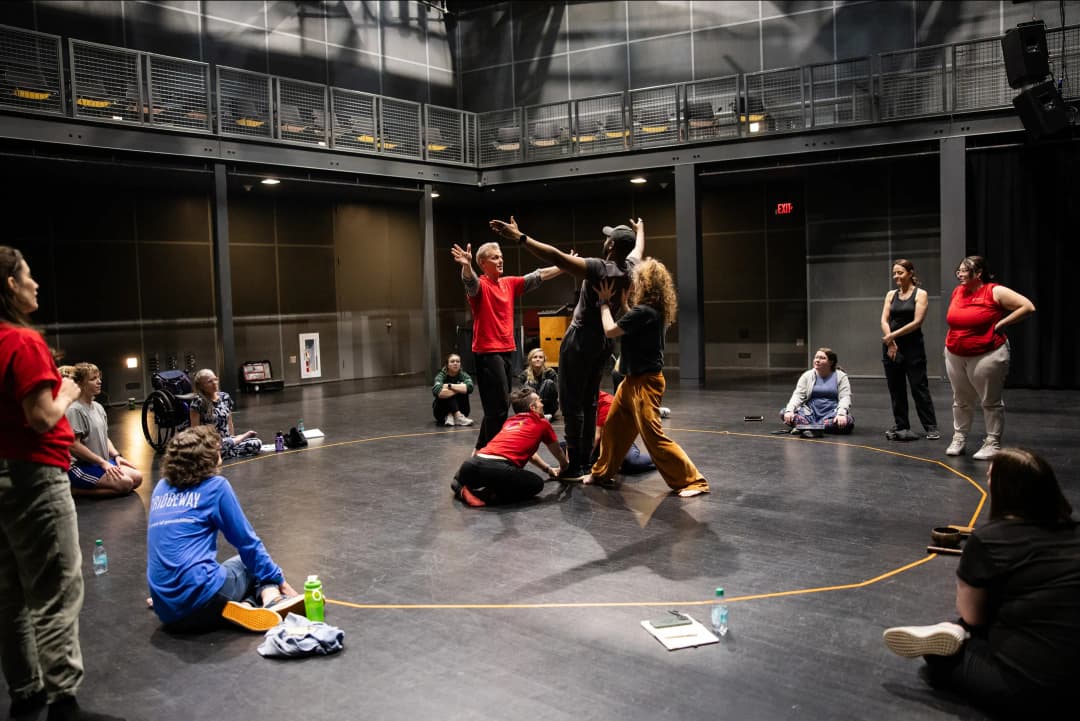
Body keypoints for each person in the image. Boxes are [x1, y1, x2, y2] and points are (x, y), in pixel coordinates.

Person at [0, 246, 125, 721]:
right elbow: (40, 417)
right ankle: (63, 702)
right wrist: (67, 392)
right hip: (33, 476)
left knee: (9, 593)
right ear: (11, 284)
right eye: (29, 276)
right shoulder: (22, 341)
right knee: (54, 588)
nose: (36, 284)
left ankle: (26, 691)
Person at [882, 447, 1080, 718]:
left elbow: (972, 616)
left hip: (1034, 690)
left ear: (1003, 489)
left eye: (989, 477)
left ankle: (952, 632)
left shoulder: (990, 539)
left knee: (942, 655)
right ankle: (954, 632)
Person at [489, 215, 645, 480]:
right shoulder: (630, 268)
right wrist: (640, 231)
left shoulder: (599, 268)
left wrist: (520, 238)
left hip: (580, 340)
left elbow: (556, 257)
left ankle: (575, 466)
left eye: (608, 238)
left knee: (571, 403)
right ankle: (585, 462)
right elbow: (638, 249)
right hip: (603, 342)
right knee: (590, 401)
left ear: (610, 246)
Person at [147, 426, 305, 633]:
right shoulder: (215, 487)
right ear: (206, 458)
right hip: (204, 601)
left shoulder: (160, 488)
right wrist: (281, 582)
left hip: (167, 610)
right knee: (249, 563)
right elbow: (247, 543)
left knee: (225, 568)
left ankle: (245, 605)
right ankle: (270, 598)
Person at [586, 259, 709, 497]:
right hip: (631, 382)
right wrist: (624, 305)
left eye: (637, 280)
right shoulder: (652, 312)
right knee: (612, 429)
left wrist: (603, 303)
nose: (633, 284)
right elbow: (634, 326)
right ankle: (601, 473)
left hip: (645, 384)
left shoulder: (644, 312)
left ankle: (694, 482)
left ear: (645, 284)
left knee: (653, 437)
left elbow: (610, 330)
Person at [450, 241, 562, 453]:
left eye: (501, 256)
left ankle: (480, 451)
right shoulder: (481, 286)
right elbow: (470, 282)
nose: (500, 260)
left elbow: (537, 276)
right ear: (483, 263)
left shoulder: (508, 284)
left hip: (506, 350)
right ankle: (491, 452)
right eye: (494, 257)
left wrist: (563, 265)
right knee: (499, 408)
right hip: (487, 353)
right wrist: (466, 265)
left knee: (499, 408)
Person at [944, 256, 1035, 460]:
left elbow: (1027, 306)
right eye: (958, 271)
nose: (959, 274)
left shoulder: (994, 291)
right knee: (961, 399)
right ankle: (959, 438)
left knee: (990, 400)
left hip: (987, 353)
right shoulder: (958, 291)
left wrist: (1001, 324)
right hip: (955, 353)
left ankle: (992, 442)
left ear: (978, 273)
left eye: (964, 271)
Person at [451, 387, 568, 507]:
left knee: (459, 478)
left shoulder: (509, 421)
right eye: (539, 401)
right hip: (497, 469)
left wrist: (547, 469)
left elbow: (530, 454)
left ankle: (461, 489)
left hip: (472, 463)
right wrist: (565, 467)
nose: (542, 404)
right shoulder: (542, 423)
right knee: (536, 484)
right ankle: (486, 495)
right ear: (533, 407)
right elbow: (558, 451)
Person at [880, 259, 939, 441]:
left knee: (918, 387)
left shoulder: (921, 294)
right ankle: (901, 425)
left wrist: (892, 336)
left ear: (911, 273)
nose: (896, 276)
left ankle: (931, 427)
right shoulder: (891, 294)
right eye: (894, 273)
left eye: (900, 272)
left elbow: (917, 322)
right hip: (891, 347)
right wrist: (890, 342)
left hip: (913, 347)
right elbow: (884, 320)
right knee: (896, 388)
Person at [65, 362, 143, 497]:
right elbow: (73, 445)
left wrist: (116, 456)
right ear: (81, 384)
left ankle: (106, 477)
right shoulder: (74, 409)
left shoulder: (98, 407)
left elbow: (104, 437)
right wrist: (102, 463)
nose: (99, 381)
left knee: (137, 478)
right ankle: (76, 490)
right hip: (81, 466)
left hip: (99, 463)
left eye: (99, 377)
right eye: (93, 379)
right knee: (125, 484)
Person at [189, 368, 261, 459]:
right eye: (210, 381)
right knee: (211, 449)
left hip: (227, 441)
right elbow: (194, 430)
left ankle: (225, 451)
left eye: (215, 379)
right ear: (201, 386)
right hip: (210, 443)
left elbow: (229, 422)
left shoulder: (224, 397)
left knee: (256, 443)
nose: (214, 383)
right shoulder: (198, 402)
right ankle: (235, 443)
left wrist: (232, 438)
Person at [780, 348, 853, 436]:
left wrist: (841, 414)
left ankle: (805, 427)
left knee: (848, 421)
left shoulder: (841, 376)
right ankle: (815, 428)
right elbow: (798, 395)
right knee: (784, 412)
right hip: (810, 414)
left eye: (822, 358)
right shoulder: (807, 375)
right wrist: (790, 410)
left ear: (830, 362)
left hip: (831, 414)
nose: (817, 360)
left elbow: (845, 397)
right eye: (816, 357)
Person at [592, 389, 655, 474]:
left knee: (631, 462)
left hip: (618, 438)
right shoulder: (578, 400)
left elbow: (597, 436)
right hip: (598, 441)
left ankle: (660, 458)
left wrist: (583, 463)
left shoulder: (606, 402)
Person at [432, 352, 475, 426]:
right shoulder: (441, 376)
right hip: (441, 413)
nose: (455, 363)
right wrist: (459, 387)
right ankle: (454, 415)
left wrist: (449, 386)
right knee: (452, 392)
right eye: (452, 361)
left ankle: (455, 416)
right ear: (447, 365)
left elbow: (470, 388)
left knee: (450, 391)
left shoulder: (464, 375)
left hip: (463, 411)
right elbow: (437, 391)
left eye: (458, 361)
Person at [517, 347, 558, 419]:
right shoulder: (524, 374)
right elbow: (521, 396)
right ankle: (535, 413)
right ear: (530, 360)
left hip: (548, 407)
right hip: (532, 407)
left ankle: (542, 414)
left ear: (544, 360)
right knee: (528, 382)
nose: (538, 359)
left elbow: (555, 393)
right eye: (535, 357)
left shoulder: (550, 372)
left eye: (540, 357)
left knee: (548, 382)